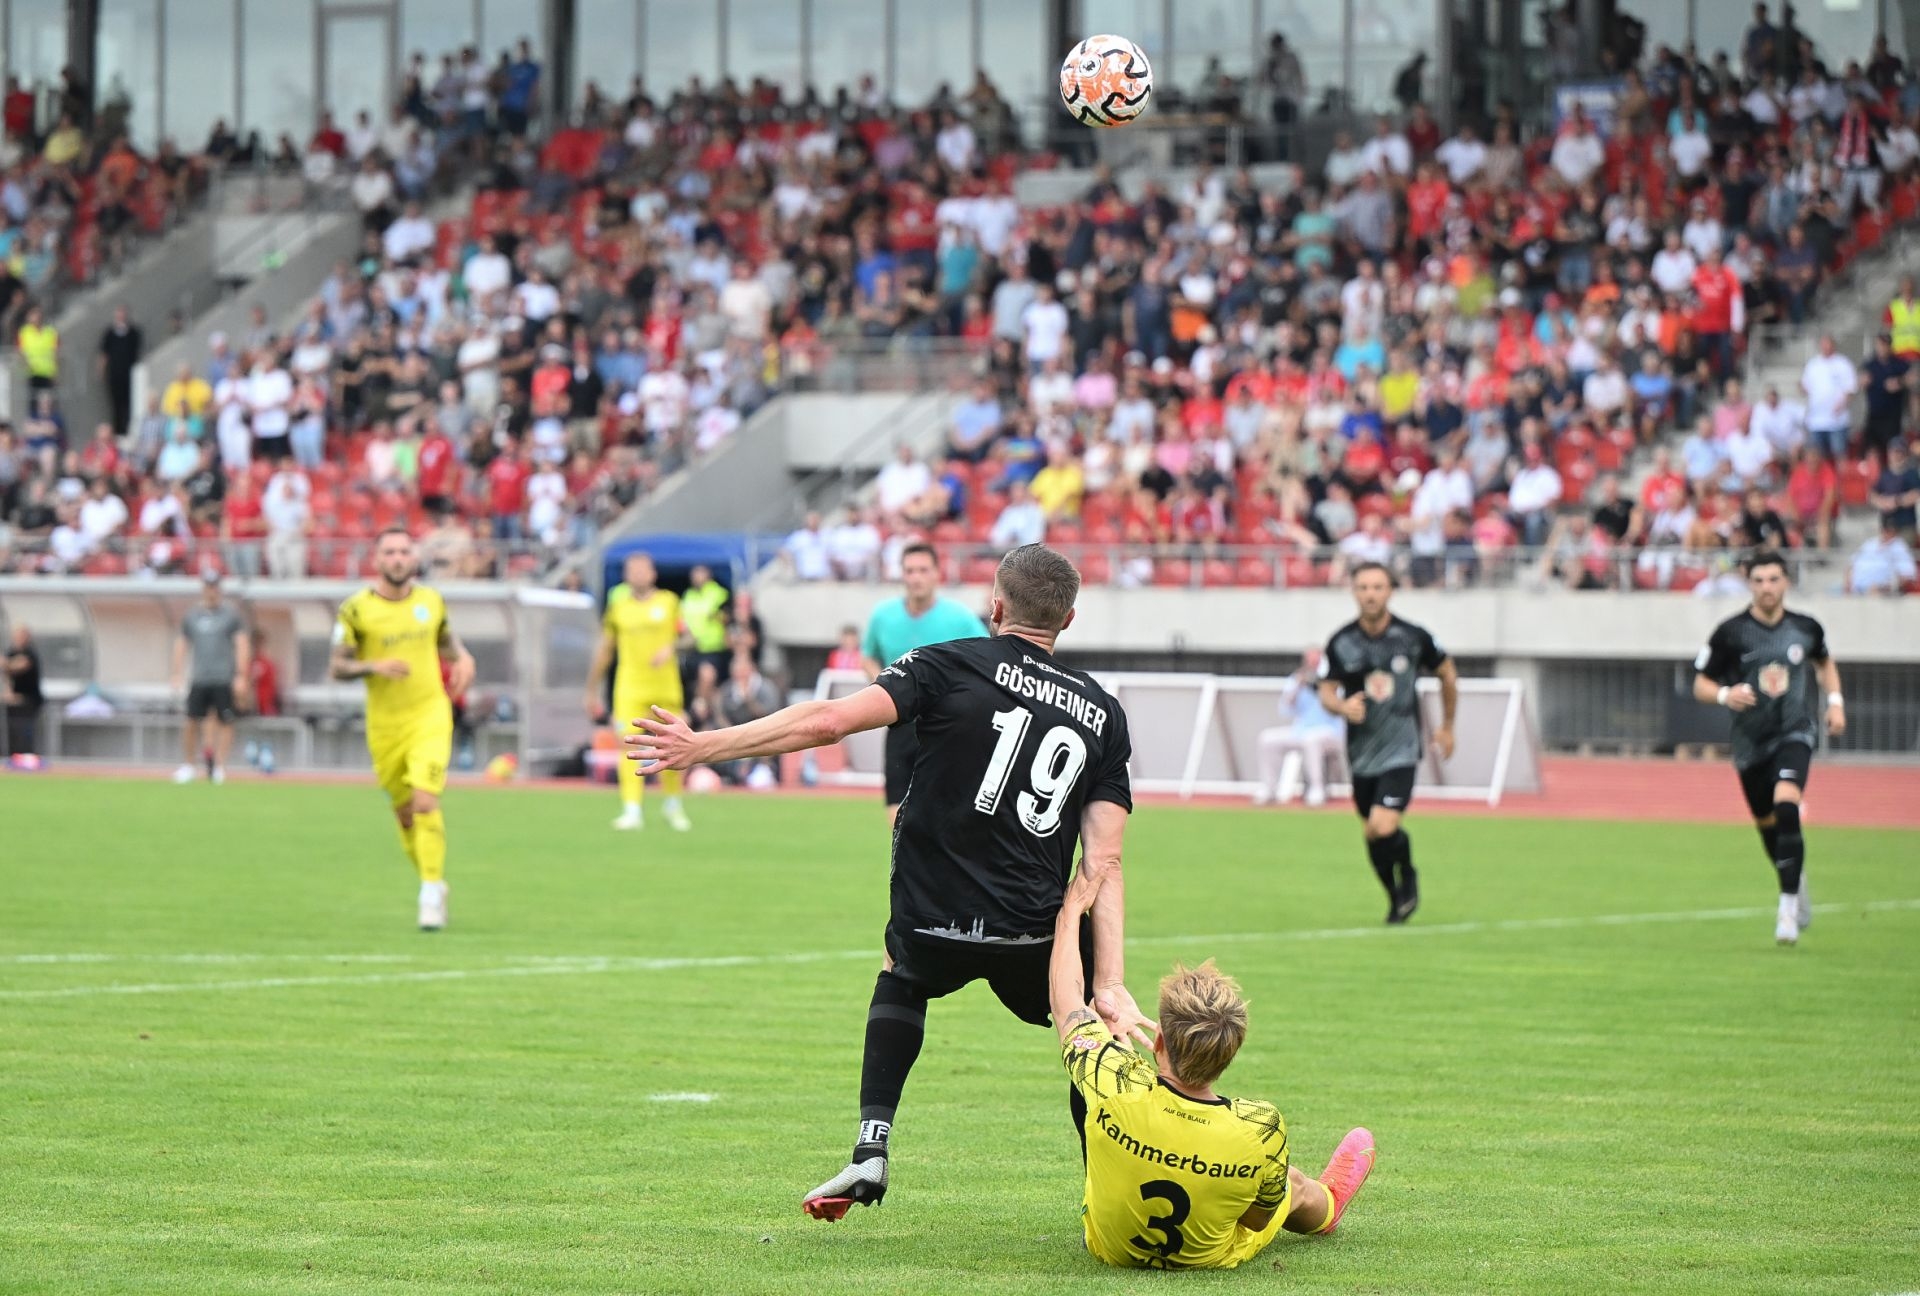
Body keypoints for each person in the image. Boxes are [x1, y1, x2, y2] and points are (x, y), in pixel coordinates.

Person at [625, 544, 1147, 1219]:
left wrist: (704, 746)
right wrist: (1108, 983)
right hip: (1034, 930)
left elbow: (828, 721)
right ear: (1068, 619)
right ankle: (1106, 1195)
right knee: (1087, 1033)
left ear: (995, 606)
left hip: (933, 914)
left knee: (901, 976)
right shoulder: (1103, 711)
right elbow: (1104, 862)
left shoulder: (945, 662)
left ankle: (871, 1146)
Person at [1049, 863, 1375, 1269]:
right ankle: (1327, 1204)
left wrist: (1070, 911)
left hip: (1109, 1248)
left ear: (1159, 1042)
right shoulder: (1260, 1125)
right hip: (1207, 1258)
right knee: (1290, 1184)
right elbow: (1256, 1221)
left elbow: (1066, 1001)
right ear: (1228, 1055)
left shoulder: (1115, 1082)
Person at [1692, 550, 1845, 945]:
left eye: (1773, 579)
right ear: (1749, 584)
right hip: (1750, 744)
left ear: (1786, 582)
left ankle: (1787, 909)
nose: (1766, 588)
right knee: (1768, 827)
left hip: (1794, 732)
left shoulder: (1805, 627)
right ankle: (1793, 877)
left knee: (1786, 805)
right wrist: (1726, 694)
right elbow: (1700, 683)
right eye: (1759, 580)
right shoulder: (1730, 633)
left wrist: (1835, 702)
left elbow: (1824, 662)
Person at [329, 527, 476, 931]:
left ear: (414, 558)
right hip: (385, 725)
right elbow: (337, 666)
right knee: (406, 814)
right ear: (377, 560)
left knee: (426, 801)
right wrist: (372, 666)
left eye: (403, 551)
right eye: (389, 552)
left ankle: (428, 893)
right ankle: (434, 882)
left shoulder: (431, 601)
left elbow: (447, 643)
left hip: (429, 714)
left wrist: (464, 659)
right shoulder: (356, 610)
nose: (397, 559)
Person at [1318, 563, 1457, 924]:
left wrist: (1447, 726)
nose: (1371, 594)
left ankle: (1407, 873)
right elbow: (1326, 691)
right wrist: (1342, 707)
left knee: (1382, 826)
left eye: (1378, 587)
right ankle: (1395, 897)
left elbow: (1447, 672)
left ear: (1390, 591)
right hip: (1362, 753)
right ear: (1354, 592)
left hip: (1402, 749)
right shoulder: (1341, 641)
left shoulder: (1413, 637)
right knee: (1372, 832)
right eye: (1363, 587)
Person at [859, 540, 989, 825]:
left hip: (946, 726)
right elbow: (867, 656)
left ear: (936, 573)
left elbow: (988, 658)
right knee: (896, 808)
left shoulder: (960, 618)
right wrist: (884, 686)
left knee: (947, 809)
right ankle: (903, 853)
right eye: (909, 571)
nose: (915, 577)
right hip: (900, 721)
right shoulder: (883, 616)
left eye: (922, 570)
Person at [584, 553, 692, 833]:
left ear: (653, 573)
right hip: (630, 686)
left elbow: (689, 637)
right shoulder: (618, 608)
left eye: (642, 569)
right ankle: (631, 809)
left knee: (674, 746)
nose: (638, 574)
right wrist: (592, 689)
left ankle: (673, 805)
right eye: (632, 570)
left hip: (665, 687)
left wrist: (671, 647)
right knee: (627, 745)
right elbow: (606, 650)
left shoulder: (669, 602)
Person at [170, 570, 250, 784]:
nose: (212, 591)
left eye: (215, 586)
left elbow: (241, 644)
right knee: (191, 720)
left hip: (223, 678)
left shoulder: (231, 615)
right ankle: (189, 765)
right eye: (208, 586)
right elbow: (182, 644)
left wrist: (241, 675)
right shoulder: (192, 616)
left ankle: (219, 767)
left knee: (226, 721)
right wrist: (177, 672)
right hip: (200, 678)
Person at [1252, 648, 1345, 807]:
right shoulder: (1298, 679)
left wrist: (1321, 685)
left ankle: (1316, 789)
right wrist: (1298, 685)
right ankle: (1268, 789)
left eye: (1316, 661)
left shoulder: (1336, 679)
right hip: (1301, 730)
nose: (1312, 665)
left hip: (1330, 732)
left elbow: (1340, 705)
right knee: (1267, 739)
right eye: (1310, 661)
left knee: (1311, 740)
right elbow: (1285, 708)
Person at [4, 624, 43, 758]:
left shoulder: (30, 653)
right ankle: (12, 755)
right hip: (15, 701)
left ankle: (26, 755)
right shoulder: (11, 652)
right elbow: (7, 676)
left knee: (25, 730)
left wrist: (4, 663)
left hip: (30, 700)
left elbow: (19, 665)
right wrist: (9, 693)